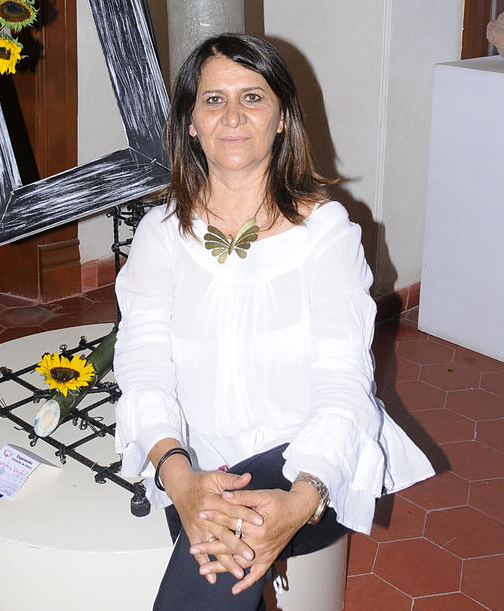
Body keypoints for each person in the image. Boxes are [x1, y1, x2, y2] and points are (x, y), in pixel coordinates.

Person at [114, 33, 433, 609]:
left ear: (282, 118)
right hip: (193, 462)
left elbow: (342, 380)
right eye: (213, 99)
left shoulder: (327, 234)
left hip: (309, 459)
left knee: (219, 561)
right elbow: (143, 365)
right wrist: (178, 478)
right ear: (191, 124)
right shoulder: (160, 235)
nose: (233, 115)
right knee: (223, 548)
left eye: (253, 97)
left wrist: (303, 498)